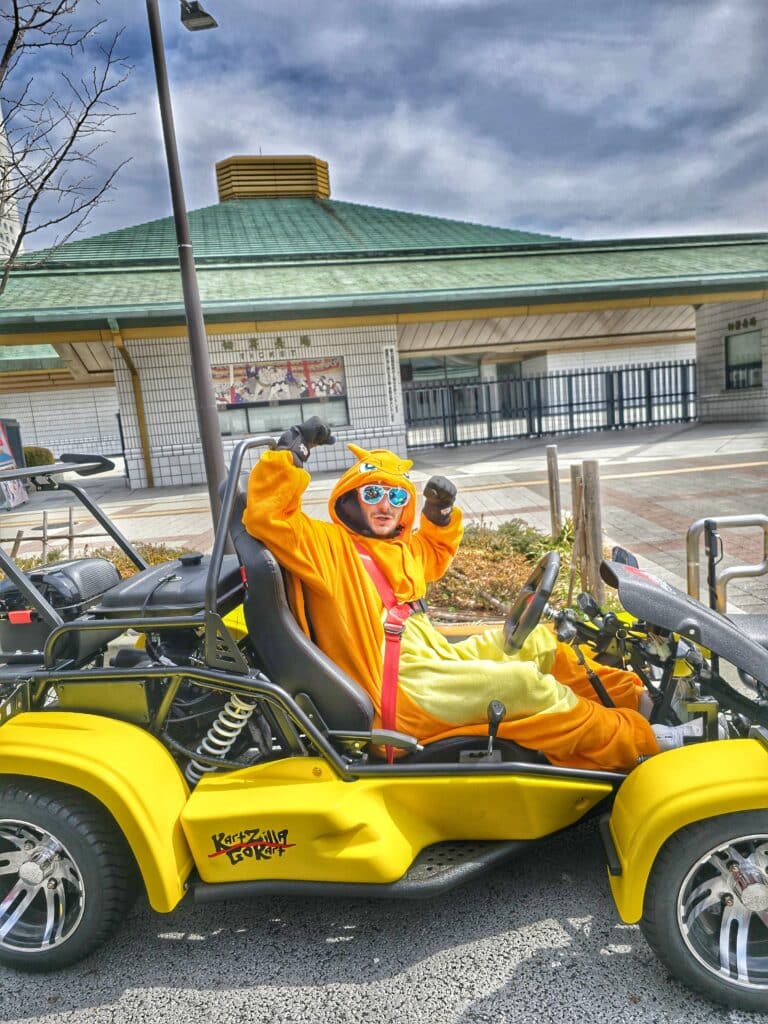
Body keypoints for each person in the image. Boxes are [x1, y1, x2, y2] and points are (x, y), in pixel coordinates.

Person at [243, 418, 695, 772]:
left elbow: (433, 550)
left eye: (396, 497)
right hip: (399, 692)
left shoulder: (393, 549)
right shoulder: (326, 548)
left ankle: (641, 702)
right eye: (372, 493)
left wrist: (438, 513)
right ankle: (642, 742)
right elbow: (269, 515)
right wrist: (292, 451)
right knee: (525, 686)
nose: (385, 506)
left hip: (432, 660)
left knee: (538, 642)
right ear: (348, 500)